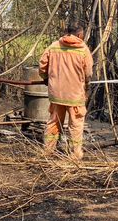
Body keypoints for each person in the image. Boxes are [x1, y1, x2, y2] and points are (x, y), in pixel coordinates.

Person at [39, 23, 93, 160]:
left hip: (56, 94)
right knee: (76, 124)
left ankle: (48, 150)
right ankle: (75, 154)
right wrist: (86, 86)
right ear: (80, 34)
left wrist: (47, 80)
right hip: (75, 95)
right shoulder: (83, 49)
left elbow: (42, 66)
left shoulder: (54, 46)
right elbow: (88, 73)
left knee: (54, 122)